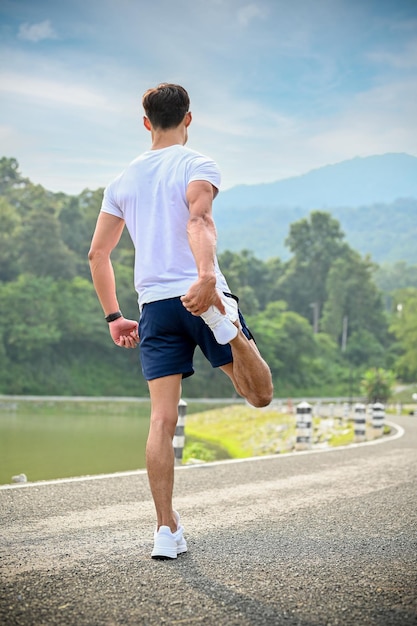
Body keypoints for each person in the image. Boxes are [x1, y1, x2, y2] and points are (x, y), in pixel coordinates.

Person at [88, 83, 273, 560]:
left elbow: (98, 254)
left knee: (161, 419)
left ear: (146, 123)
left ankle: (165, 530)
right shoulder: (197, 164)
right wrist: (208, 280)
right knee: (259, 395)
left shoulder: (121, 181)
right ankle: (228, 329)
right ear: (188, 119)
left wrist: (113, 316)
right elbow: (199, 220)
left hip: (155, 308)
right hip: (200, 297)